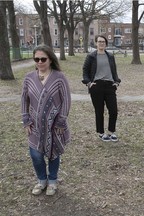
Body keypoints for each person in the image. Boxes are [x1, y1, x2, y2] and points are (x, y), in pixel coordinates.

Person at [21, 45, 71, 196]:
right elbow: (24, 99)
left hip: (55, 125)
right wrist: (25, 119)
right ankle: (42, 180)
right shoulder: (29, 77)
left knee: (53, 154)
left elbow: (66, 100)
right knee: (36, 155)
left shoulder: (59, 77)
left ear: (50, 59)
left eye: (43, 59)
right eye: (37, 59)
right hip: (35, 124)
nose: (40, 62)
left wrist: (61, 121)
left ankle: (53, 181)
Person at [82, 35, 121, 142]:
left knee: (113, 110)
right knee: (99, 110)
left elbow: (114, 71)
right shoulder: (91, 56)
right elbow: (85, 72)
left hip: (109, 86)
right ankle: (101, 133)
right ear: (96, 43)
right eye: (99, 41)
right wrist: (89, 83)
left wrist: (116, 82)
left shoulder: (110, 56)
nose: (101, 43)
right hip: (96, 86)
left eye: (103, 42)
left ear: (106, 43)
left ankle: (111, 132)